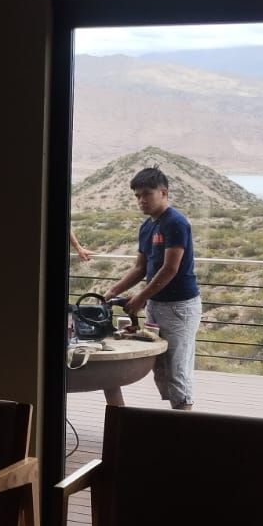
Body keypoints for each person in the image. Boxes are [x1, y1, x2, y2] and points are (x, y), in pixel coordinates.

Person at [101, 167, 201, 409]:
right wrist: (113, 291)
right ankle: (174, 420)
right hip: (157, 303)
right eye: (137, 196)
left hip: (179, 307)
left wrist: (140, 298)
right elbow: (140, 268)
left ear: (163, 192)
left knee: (177, 368)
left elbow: (170, 268)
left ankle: (184, 425)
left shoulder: (175, 222)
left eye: (146, 194)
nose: (141, 200)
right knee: (163, 368)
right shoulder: (147, 226)